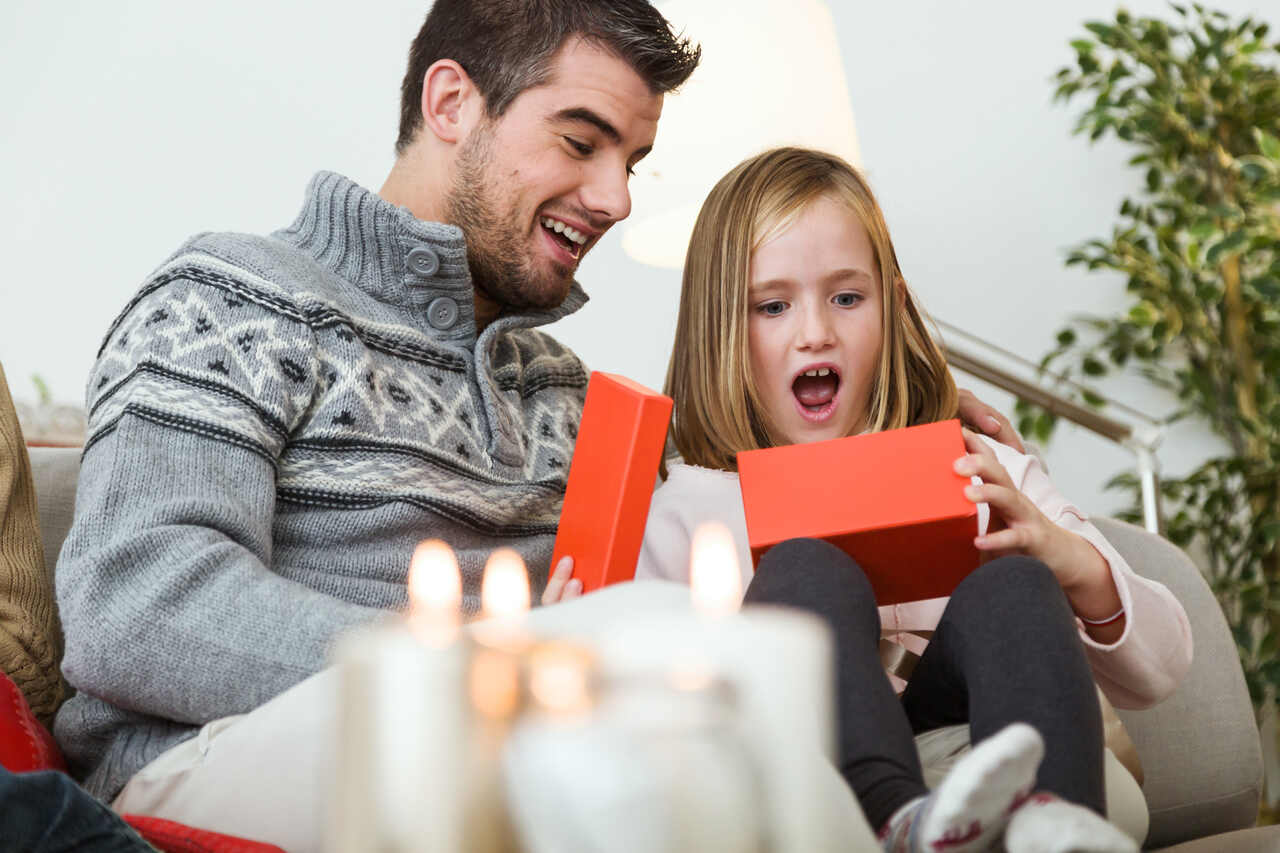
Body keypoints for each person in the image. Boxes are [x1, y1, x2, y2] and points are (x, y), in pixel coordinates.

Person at [51, 2, 1020, 848]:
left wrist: (916, 410)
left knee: (693, 678)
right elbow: (133, 606)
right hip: (213, 759)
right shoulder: (232, 296)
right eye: (578, 140)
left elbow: (736, 483)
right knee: (648, 654)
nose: (615, 199)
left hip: (520, 737)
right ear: (450, 103)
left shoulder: (560, 392)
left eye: (631, 160)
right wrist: (484, 661)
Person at [634, 147, 1193, 853]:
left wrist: (1066, 558)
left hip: (979, 755)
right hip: (818, 786)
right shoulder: (686, 503)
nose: (816, 332)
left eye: (847, 297)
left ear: (892, 309)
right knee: (806, 567)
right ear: (722, 329)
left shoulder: (979, 463)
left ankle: (1056, 822)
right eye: (773, 306)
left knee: (1015, 583)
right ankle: (899, 823)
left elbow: (1165, 665)